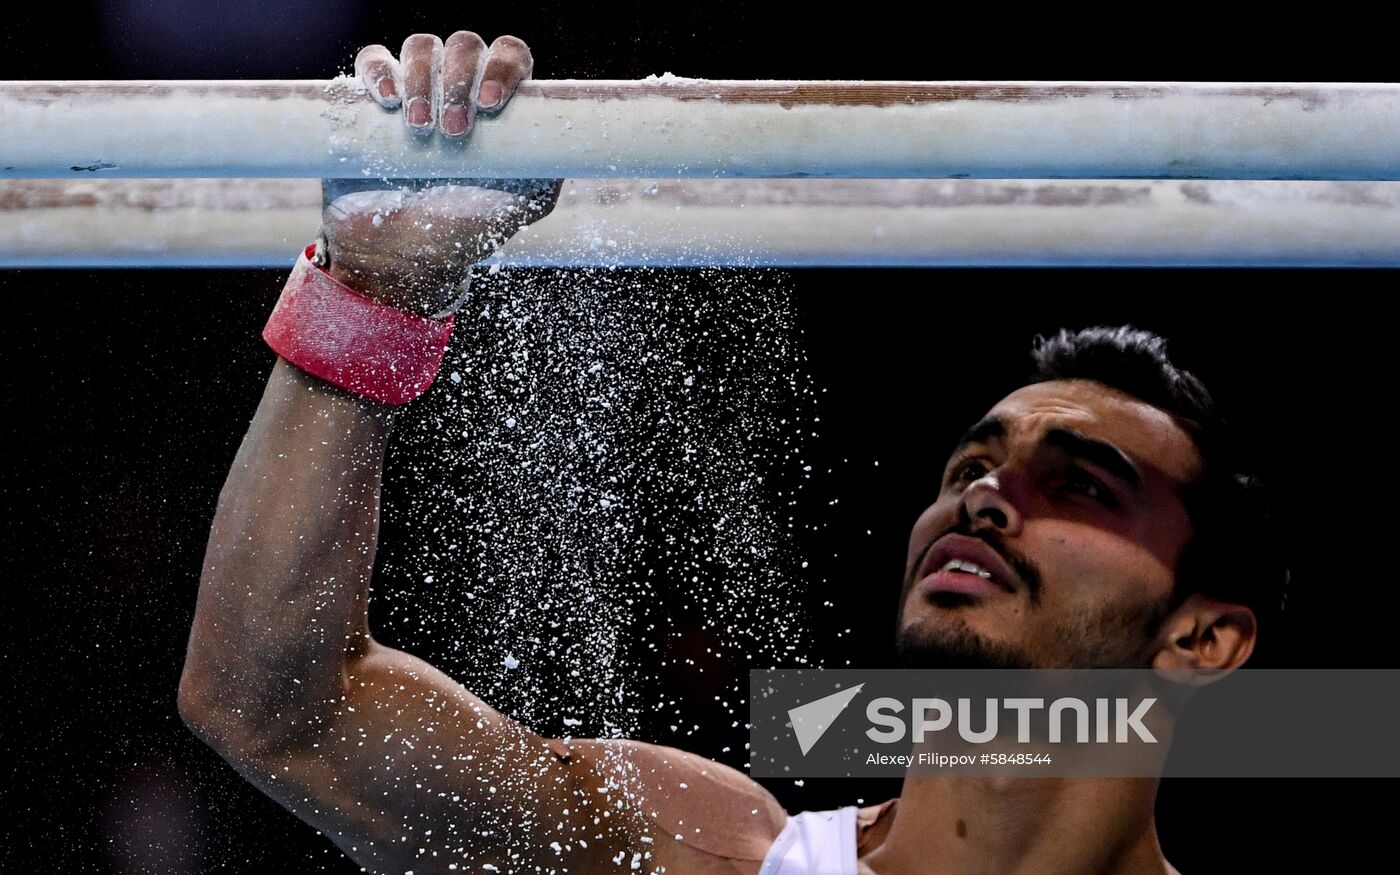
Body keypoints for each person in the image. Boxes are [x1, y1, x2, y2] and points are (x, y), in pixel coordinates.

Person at [177, 29, 1285, 875]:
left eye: (1082, 482)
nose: (987, 496)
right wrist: (373, 297)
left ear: (1204, 633)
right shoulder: (700, 851)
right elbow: (280, 709)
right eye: (967, 468)